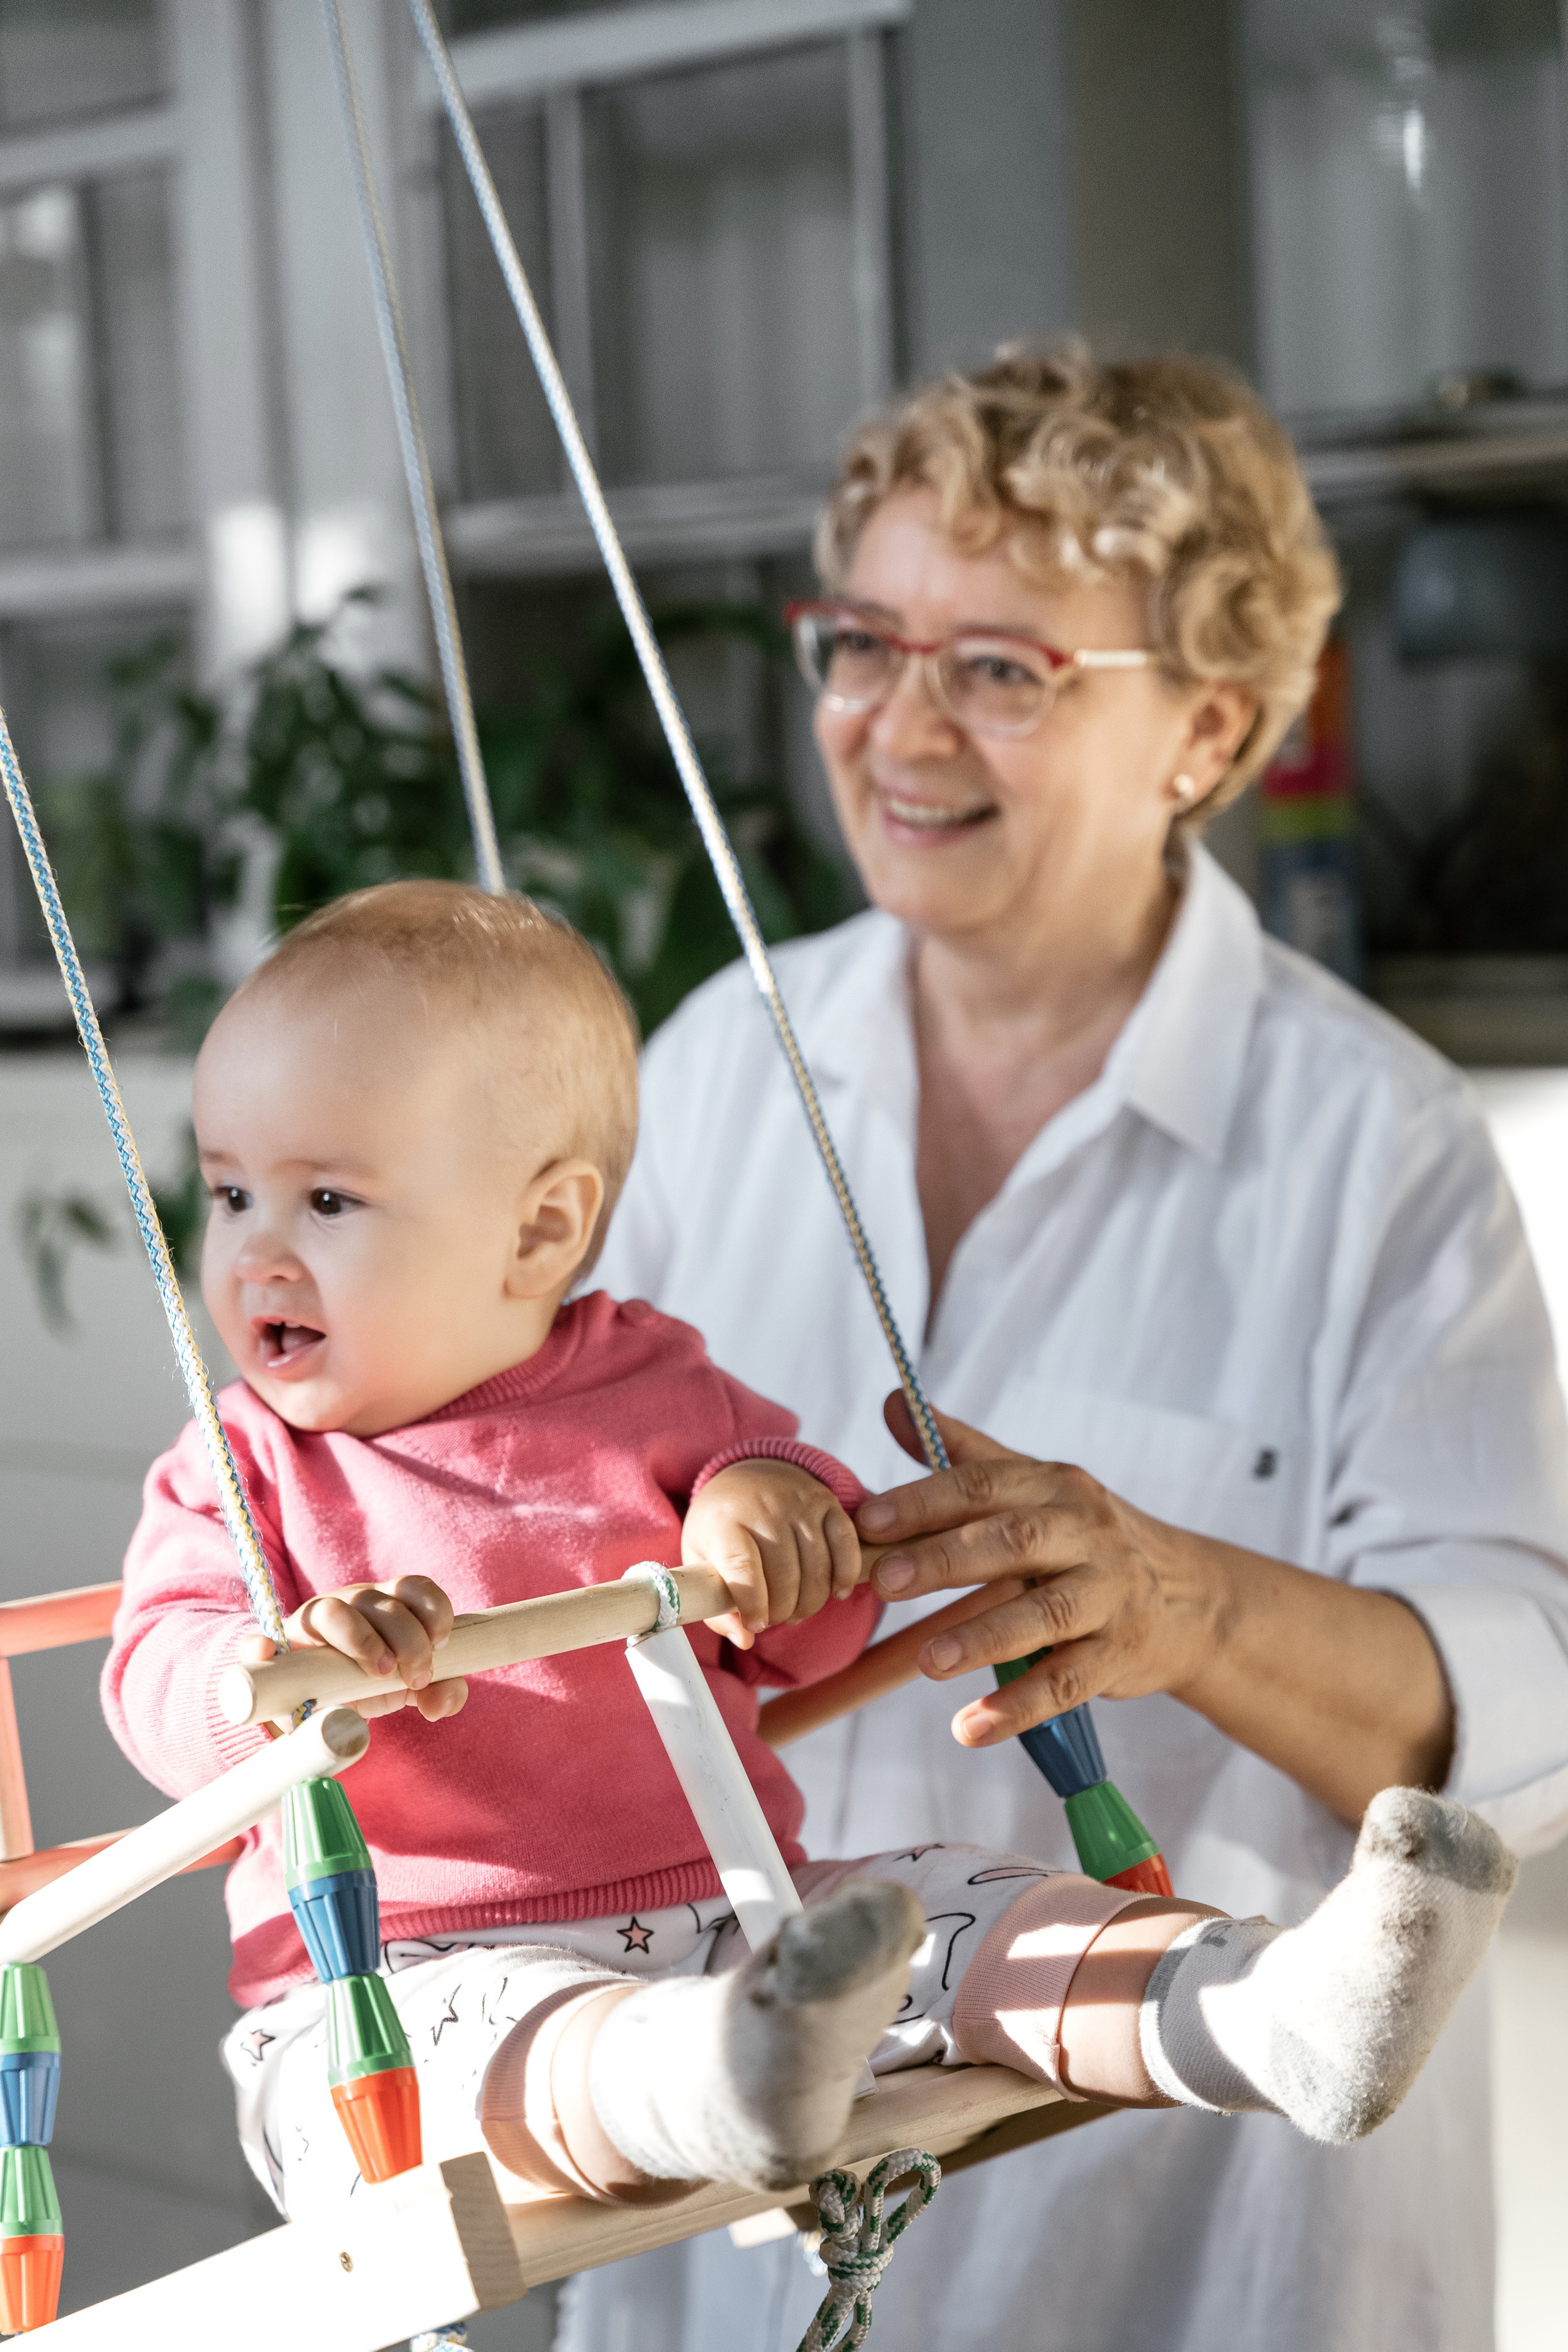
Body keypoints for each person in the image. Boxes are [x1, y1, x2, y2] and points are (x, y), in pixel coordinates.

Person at [576, 347, 1568, 2352]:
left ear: (1204, 727)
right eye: (861, 643)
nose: (896, 724)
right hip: (737, 2238)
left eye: (1002, 668)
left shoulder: (1372, 1145)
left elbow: (1518, 1716)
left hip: (1188, 2255)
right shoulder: (719, 1060)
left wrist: (1183, 1605)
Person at [100, 881, 1511, 2229]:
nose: (256, 1255)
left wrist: (764, 1511)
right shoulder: (241, 1470)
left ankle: (1268, 2012)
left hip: (733, 1917)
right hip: (389, 2006)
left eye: (326, 1203)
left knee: (951, 1905)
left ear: (540, 1229)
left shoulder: (657, 1391)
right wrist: (266, 1671)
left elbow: (811, 1631)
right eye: (229, 1196)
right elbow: (152, 1676)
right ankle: (726, 2078)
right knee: (556, 2044)